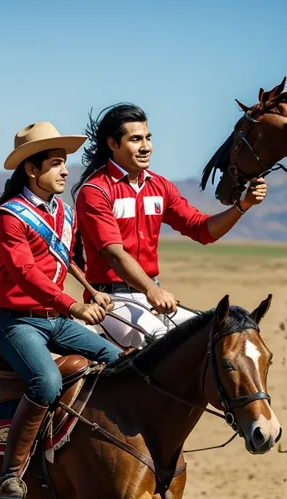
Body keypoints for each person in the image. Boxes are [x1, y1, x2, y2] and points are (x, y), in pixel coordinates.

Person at [0, 122, 121, 499]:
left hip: (57, 319)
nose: (66, 171)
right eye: (57, 163)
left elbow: (67, 257)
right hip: (18, 322)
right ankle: (11, 475)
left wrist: (91, 289)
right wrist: (75, 306)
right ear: (32, 170)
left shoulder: (62, 210)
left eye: (66, 163)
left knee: (117, 362)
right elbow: (25, 274)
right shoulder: (9, 217)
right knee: (45, 384)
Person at [73, 104, 268, 348]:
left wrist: (244, 205)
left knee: (216, 337)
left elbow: (203, 230)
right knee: (163, 346)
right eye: (135, 139)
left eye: (148, 138)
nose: (146, 146)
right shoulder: (95, 191)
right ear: (113, 144)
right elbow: (115, 254)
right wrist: (150, 291)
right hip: (111, 300)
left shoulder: (160, 186)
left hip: (152, 295)